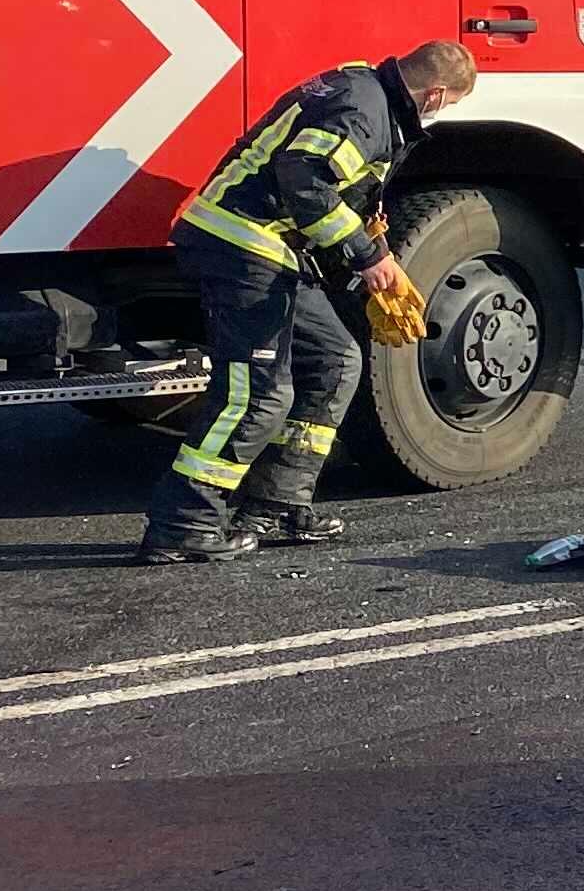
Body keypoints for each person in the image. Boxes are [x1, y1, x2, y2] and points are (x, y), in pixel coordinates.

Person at [140, 41, 475, 563]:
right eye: (448, 103)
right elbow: (306, 178)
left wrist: (380, 251)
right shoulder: (365, 109)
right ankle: (184, 523)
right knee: (256, 395)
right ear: (434, 93)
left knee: (336, 361)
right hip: (243, 245)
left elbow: (345, 193)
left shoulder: (368, 93)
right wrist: (366, 259)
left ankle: (275, 504)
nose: (442, 112)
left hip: (275, 249)